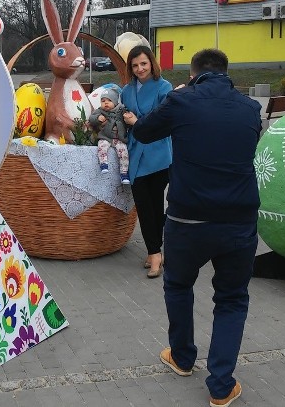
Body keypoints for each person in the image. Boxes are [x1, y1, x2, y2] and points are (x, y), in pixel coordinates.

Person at [131, 49, 260, 407]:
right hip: (239, 221)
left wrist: (179, 96)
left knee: (178, 284)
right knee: (232, 299)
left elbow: (142, 130)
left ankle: (183, 357)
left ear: (194, 73)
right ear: (226, 72)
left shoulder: (181, 100)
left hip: (188, 219)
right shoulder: (250, 108)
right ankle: (221, 386)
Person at [120, 45, 172, 278]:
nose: (140, 68)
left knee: (154, 204)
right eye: (135, 65)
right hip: (135, 153)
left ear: (151, 62)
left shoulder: (164, 87)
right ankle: (155, 251)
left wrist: (136, 121)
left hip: (158, 152)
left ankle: (155, 254)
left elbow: (162, 120)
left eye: (143, 63)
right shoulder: (126, 91)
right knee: (143, 205)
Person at [88, 87, 129, 184]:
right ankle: (103, 164)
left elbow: (128, 116)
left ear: (115, 101)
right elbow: (91, 118)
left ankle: (124, 173)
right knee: (102, 147)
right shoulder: (100, 111)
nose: (105, 103)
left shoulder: (121, 110)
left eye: (109, 100)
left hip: (119, 138)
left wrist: (128, 115)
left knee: (124, 153)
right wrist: (98, 118)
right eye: (103, 101)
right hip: (105, 137)